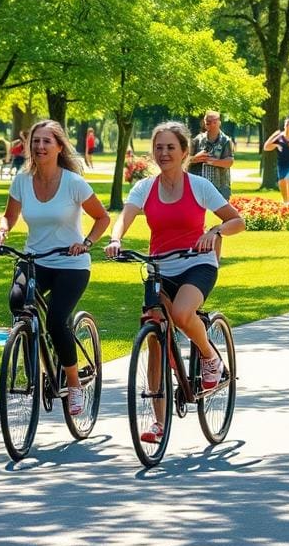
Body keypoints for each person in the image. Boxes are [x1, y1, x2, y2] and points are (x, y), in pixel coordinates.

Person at [104, 121, 245, 443]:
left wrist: (215, 232)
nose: (164, 153)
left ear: (184, 152)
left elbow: (238, 220)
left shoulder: (198, 186)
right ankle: (158, 423)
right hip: (159, 268)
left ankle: (210, 357)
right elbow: (125, 216)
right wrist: (115, 239)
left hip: (197, 264)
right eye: (159, 147)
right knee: (154, 340)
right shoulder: (144, 188)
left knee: (182, 315)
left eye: (170, 147)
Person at [0, 121, 110, 415]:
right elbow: (9, 216)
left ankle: (73, 383)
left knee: (56, 321)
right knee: (18, 302)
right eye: (35, 141)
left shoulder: (73, 183)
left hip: (71, 263)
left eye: (46, 141)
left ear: (59, 147)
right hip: (34, 259)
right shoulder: (21, 180)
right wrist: (1, 232)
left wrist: (87, 242)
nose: (40, 147)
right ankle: (34, 360)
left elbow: (102, 219)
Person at [189, 110, 235, 200]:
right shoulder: (197, 140)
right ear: (205, 124)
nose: (212, 125)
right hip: (198, 186)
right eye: (208, 123)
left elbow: (229, 162)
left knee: (222, 212)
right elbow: (185, 160)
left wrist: (211, 161)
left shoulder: (226, 141)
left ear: (219, 123)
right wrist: (196, 158)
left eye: (214, 122)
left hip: (220, 186)